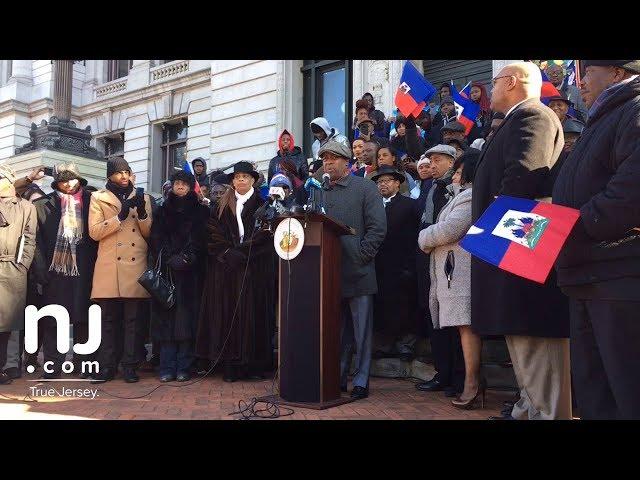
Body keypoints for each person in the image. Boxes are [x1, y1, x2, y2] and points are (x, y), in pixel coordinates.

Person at [473, 62, 570, 420]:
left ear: (511, 82)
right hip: (508, 245)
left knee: (535, 338)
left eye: (494, 81)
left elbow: (521, 181)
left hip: (520, 247)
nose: (490, 88)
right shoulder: (516, 119)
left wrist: (491, 236)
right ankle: (529, 409)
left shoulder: (535, 116)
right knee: (520, 338)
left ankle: (546, 413)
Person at [552, 60, 640, 419]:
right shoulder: (601, 118)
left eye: (586, 73)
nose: (579, 83)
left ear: (617, 72)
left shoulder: (633, 111)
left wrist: (570, 224)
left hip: (618, 275)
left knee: (626, 391)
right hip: (587, 275)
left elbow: (630, 192)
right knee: (595, 395)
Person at [196, 161, 275, 382]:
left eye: (245, 177)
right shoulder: (222, 204)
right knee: (228, 315)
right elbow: (213, 232)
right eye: (237, 177)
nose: (240, 180)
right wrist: (228, 252)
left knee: (254, 314)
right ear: (233, 181)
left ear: (252, 180)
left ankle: (254, 365)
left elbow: (267, 233)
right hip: (227, 269)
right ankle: (231, 364)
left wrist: (245, 251)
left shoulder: (264, 203)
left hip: (254, 268)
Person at [319, 140, 386, 399]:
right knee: (337, 332)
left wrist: (361, 256)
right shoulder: (320, 191)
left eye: (334, 158)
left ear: (347, 161)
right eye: (325, 159)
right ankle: (337, 377)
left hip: (359, 272)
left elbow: (378, 227)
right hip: (328, 275)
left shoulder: (366, 187)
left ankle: (361, 380)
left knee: (362, 333)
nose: (328, 162)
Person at [419, 148, 484, 409]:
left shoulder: (470, 197)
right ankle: (470, 381)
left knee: (467, 328)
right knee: (461, 328)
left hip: (461, 272)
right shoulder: (460, 196)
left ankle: (472, 383)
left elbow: (450, 229)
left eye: (458, 172)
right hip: (453, 272)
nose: (454, 177)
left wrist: (423, 237)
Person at [88, 157, 154, 384]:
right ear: (110, 176)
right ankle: (107, 366)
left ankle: (130, 366)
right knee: (108, 320)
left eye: (127, 172)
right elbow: (94, 232)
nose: (124, 176)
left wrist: (143, 214)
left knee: (133, 321)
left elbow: (148, 233)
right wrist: (119, 216)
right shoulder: (98, 197)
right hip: (110, 267)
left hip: (135, 265)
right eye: (119, 173)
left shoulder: (143, 197)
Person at [30, 163, 98, 379]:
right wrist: (41, 271)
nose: (69, 184)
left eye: (73, 179)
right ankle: (53, 365)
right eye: (64, 180)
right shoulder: (42, 205)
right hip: (55, 272)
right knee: (54, 320)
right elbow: (36, 241)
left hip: (85, 269)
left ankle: (84, 363)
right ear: (57, 182)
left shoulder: (92, 201)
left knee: (84, 319)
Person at [414, 144, 465, 397]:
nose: (432, 165)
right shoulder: (431, 186)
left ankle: (457, 376)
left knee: (452, 321)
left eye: (438, 160)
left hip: (451, 261)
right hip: (429, 258)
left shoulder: (455, 190)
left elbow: (448, 226)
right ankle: (442, 372)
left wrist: (425, 237)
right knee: (433, 317)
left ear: (452, 162)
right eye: (430, 160)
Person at [150, 170, 209, 382]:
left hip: (191, 274)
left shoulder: (200, 211)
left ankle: (185, 366)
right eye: (177, 183)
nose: (180, 187)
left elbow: (201, 239)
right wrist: (169, 257)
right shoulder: (162, 210)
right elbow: (156, 237)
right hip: (167, 272)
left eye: (184, 183)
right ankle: (166, 367)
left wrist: (188, 257)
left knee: (188, 320)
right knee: (167, 320)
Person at [371, 166, 419, 361]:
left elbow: (417, 235)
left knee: (405, 305)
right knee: (383, 306)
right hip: (379, 265)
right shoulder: (373, 206)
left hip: (403, 264)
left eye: (388, 180)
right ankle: (385, 343)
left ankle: (405, 344)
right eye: (380, 181)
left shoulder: (409, 205)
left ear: (398, 183)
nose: (383, 184)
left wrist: (410, 265)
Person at [0, 164, 37, 385]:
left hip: (13, 268)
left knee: (11, 320)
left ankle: (9, 365)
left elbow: (29, 238)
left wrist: (22, 265)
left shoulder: (25, 207)